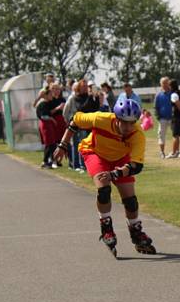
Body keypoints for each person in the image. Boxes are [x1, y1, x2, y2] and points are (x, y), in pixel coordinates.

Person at [53, 98, 156, 257]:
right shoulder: (100, 119)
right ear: (116, 118)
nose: (128, 127)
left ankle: (135, 231)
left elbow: (136, 166)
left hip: (121, 158)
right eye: (124, 122)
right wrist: (62, 145)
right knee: (104, 190)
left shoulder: (137, 134)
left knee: (130, 200)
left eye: (132, 122)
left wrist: (115, 173)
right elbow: (75, 121)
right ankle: (106, 227)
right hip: (94, 152)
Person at [35, 87, 58, 168]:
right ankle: (47, 161)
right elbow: (43, 116)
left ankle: (49, 161)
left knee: (51, 143)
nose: (52, 96)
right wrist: (52, 118)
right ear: (46, 95)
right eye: (50, 94)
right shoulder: (42, 104)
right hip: (45, 125)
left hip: (48, 125)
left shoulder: (48, 103)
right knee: (49, 143)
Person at [153, 77, 174, 159]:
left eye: (166, 83)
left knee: (175, 135)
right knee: (161, 136)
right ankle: (162, 152)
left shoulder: (173, 93)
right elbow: (155, 107)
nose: (165, 85)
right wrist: (158, 117)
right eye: (163, 83)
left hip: (172, 118)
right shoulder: (158, 95)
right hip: (162, 119)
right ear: (161, 84)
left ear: (169, 83)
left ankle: (175, 151)